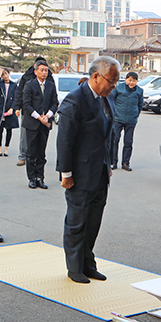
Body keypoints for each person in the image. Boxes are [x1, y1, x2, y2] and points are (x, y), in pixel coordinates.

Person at [56, 56, 120, 283]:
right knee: (77, 222)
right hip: (79, 173)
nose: (113, 86)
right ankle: (74, 268)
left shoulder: (107, 98)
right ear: (96, 76)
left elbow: (109, 135)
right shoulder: (75, 101)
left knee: (93, 221)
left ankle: (87, 263)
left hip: (101, 171)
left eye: (116, 82)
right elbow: (64, 140)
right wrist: (65, 173)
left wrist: (109, 162)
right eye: (111, 81)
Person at [22, 61, 59, 189]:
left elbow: (55, 103)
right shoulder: (29, 85)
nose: (44, 72)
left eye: (46, 70)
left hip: (45, 123)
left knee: (41, 153)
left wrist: (47, 116)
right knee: (31, 152)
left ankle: (40, 178)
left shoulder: (51, 85)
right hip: (32, 123)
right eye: (42, 70)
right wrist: (39, 117)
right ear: (36, 71)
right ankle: (31, 178)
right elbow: (26, 105)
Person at [15, 57, 53, 167]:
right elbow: (20, 93)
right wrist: (17, 107)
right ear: (34, 67)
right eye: (40, 68)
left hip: (44, 113)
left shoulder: (49, 78)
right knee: (24, 135)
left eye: (45, 69)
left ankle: (37, 157)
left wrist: (48, 113)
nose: (44, 72)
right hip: (28, 111)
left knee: (41, 137)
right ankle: (23, 156)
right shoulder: (26, 77)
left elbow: (52, 97)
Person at [109, 71, 145, 171]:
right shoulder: (118, 88)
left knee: (128, 142)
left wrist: (135, 115)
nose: (131, 83)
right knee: (114, 140)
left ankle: (126, 163)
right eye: (129, 80)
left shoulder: (139, 91)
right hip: (117, 119)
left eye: (134, 81)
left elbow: (140, 105)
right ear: (126, 79)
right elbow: (111, 100)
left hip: (131, 120)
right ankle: (113, 162)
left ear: (137, 81)